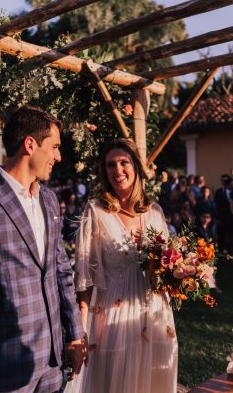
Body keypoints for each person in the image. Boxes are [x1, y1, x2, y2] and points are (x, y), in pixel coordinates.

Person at [0, 105, 87, 393]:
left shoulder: (50, 200)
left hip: (52, 363)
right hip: (4, 369)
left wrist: (75, 336)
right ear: (30, 144)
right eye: (54, 147)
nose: (58, 156)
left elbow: (61, 272)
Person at [65, 139, 178, 393]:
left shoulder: (155, 212)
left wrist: (182, 271)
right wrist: (81, 332)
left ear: (136, 167)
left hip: (155, 314)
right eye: (110, 165)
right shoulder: (95, 211)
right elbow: (83, 279)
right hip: (112, 316)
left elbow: (167, 267)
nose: (117, 170)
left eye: (124, 162)